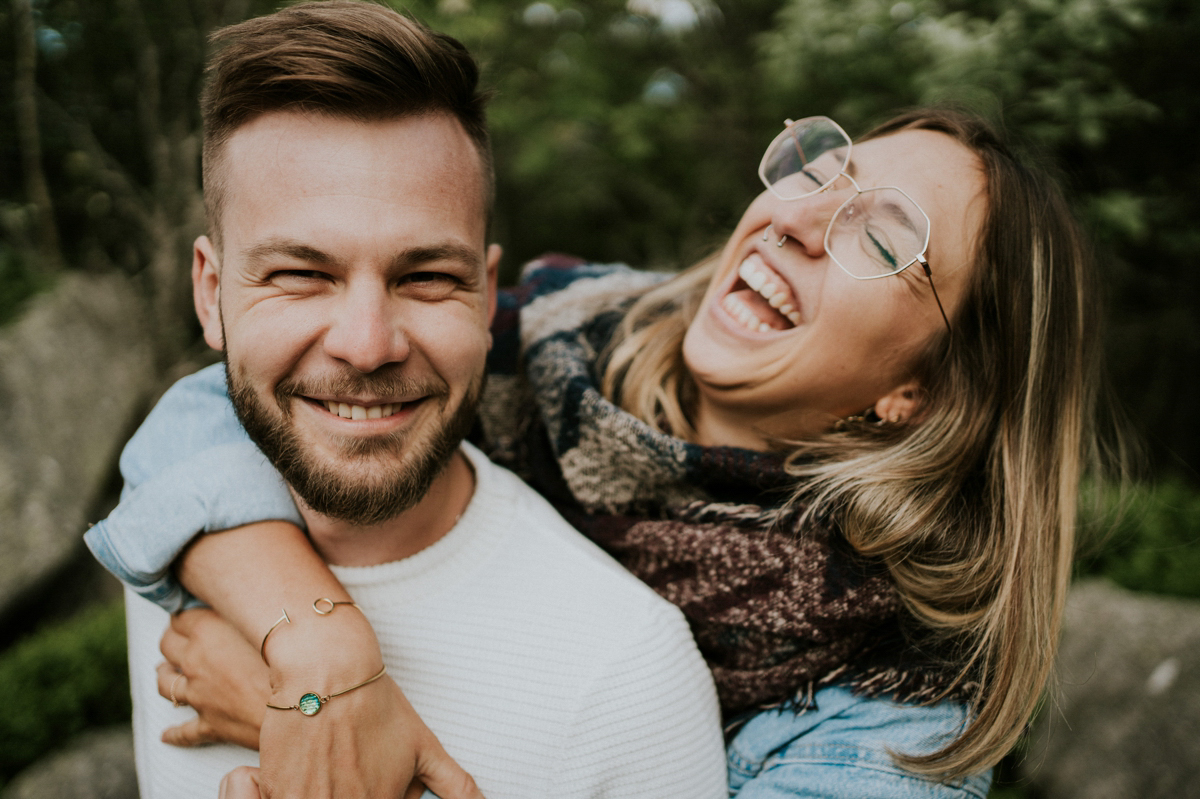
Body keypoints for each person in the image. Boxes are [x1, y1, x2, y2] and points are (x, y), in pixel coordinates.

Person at [90, 41, 1115, 799]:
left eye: (885, 235)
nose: (800, 217)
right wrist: (316, 648)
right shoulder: (551, 337)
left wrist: (325, 734)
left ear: (923, 390)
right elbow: (230, 405)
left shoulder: (890, 703)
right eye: (828, 172)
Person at [83, 3, 729, 798]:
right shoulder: (173, 520)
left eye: (426, 277)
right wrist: (322, 652)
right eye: (300, 274)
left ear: (489, 297)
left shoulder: (629, 677)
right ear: (211, 293)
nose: (366, 342)